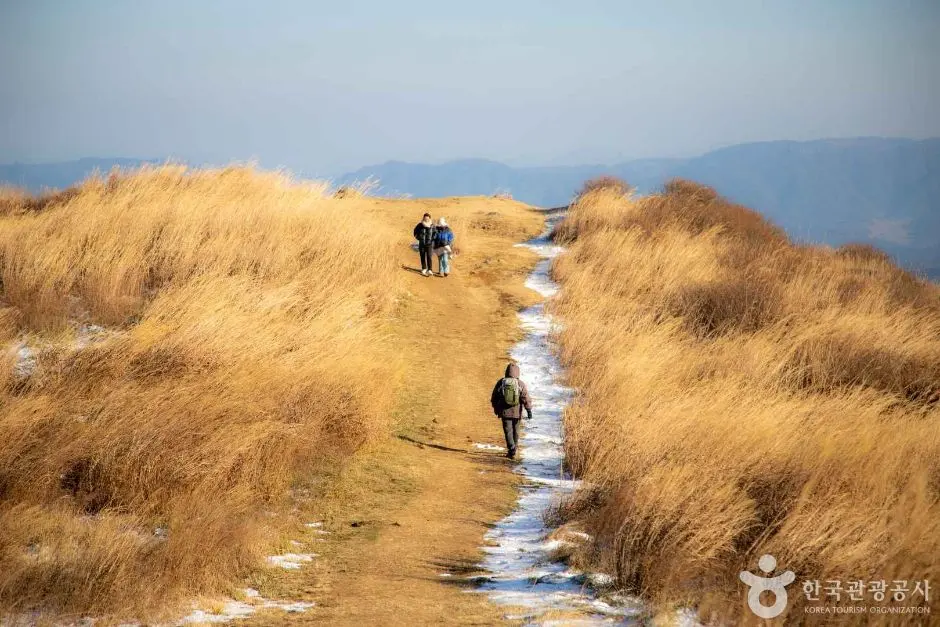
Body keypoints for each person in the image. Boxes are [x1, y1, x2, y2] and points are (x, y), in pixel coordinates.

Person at [490, 363, 533, 459]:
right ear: (517, 372)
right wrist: (529, 410)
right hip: (517, 413)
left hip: (505, 412)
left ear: (506, 371)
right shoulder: (520, 383)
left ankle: (511, 449)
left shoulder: (501, 382)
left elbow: (494, 397)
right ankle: (514, 449)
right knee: (516, 432)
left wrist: (496, 409)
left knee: (508, 431)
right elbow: (525, 397)